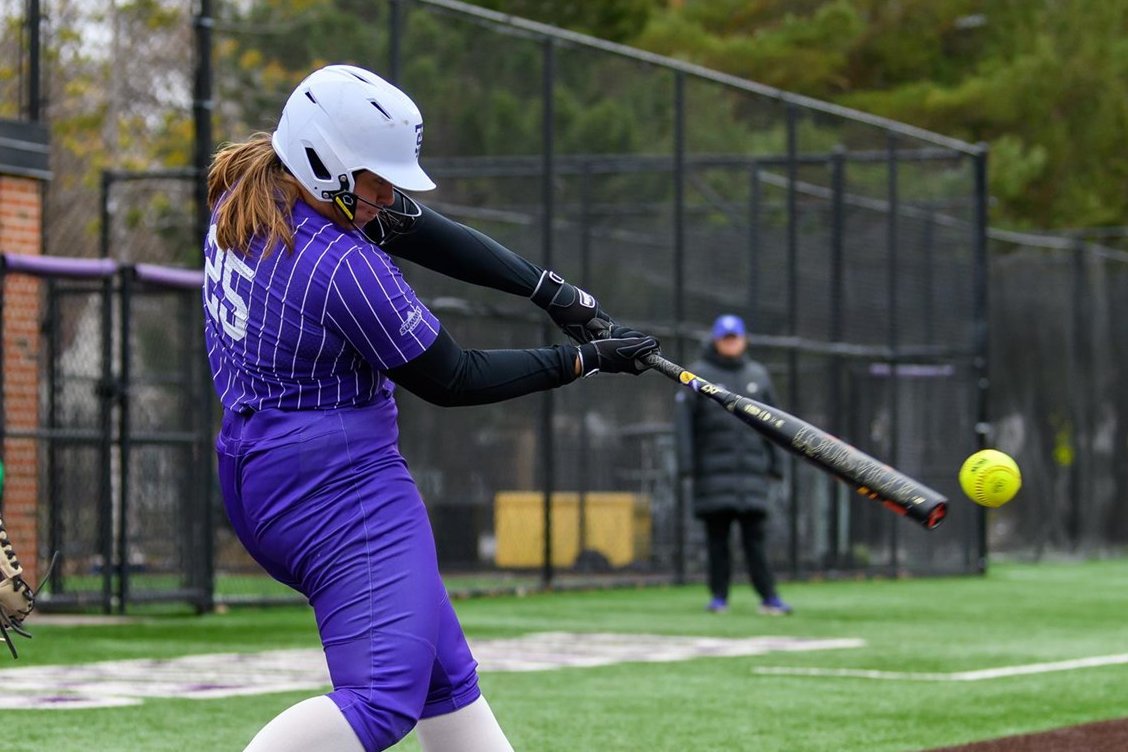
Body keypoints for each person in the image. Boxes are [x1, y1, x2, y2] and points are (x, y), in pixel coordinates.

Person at [203, 64, 659, 752]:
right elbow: (454, 377)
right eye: (373, 177)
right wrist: (585, 360)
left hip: (265, 469)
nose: (387, 194)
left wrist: (549, 291)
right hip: (334, 484)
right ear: (324, 162)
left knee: (447, 682)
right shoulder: (343, 266)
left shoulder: (257, 188)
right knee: (383, 699)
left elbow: (422, 230)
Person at [674, 314, 791, 616]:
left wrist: (777, 462)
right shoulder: (697, 375)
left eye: (735, 337)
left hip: (752, 475)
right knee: (717, 541)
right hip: (713, 476)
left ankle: (768, 597)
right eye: (725, 338)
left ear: (744, 340)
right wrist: (687, 465)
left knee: (756, 542)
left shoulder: (758, 375)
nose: (731, 343)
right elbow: (683, 425)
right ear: (715, 340)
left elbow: (775, 424)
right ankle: (719, 597)